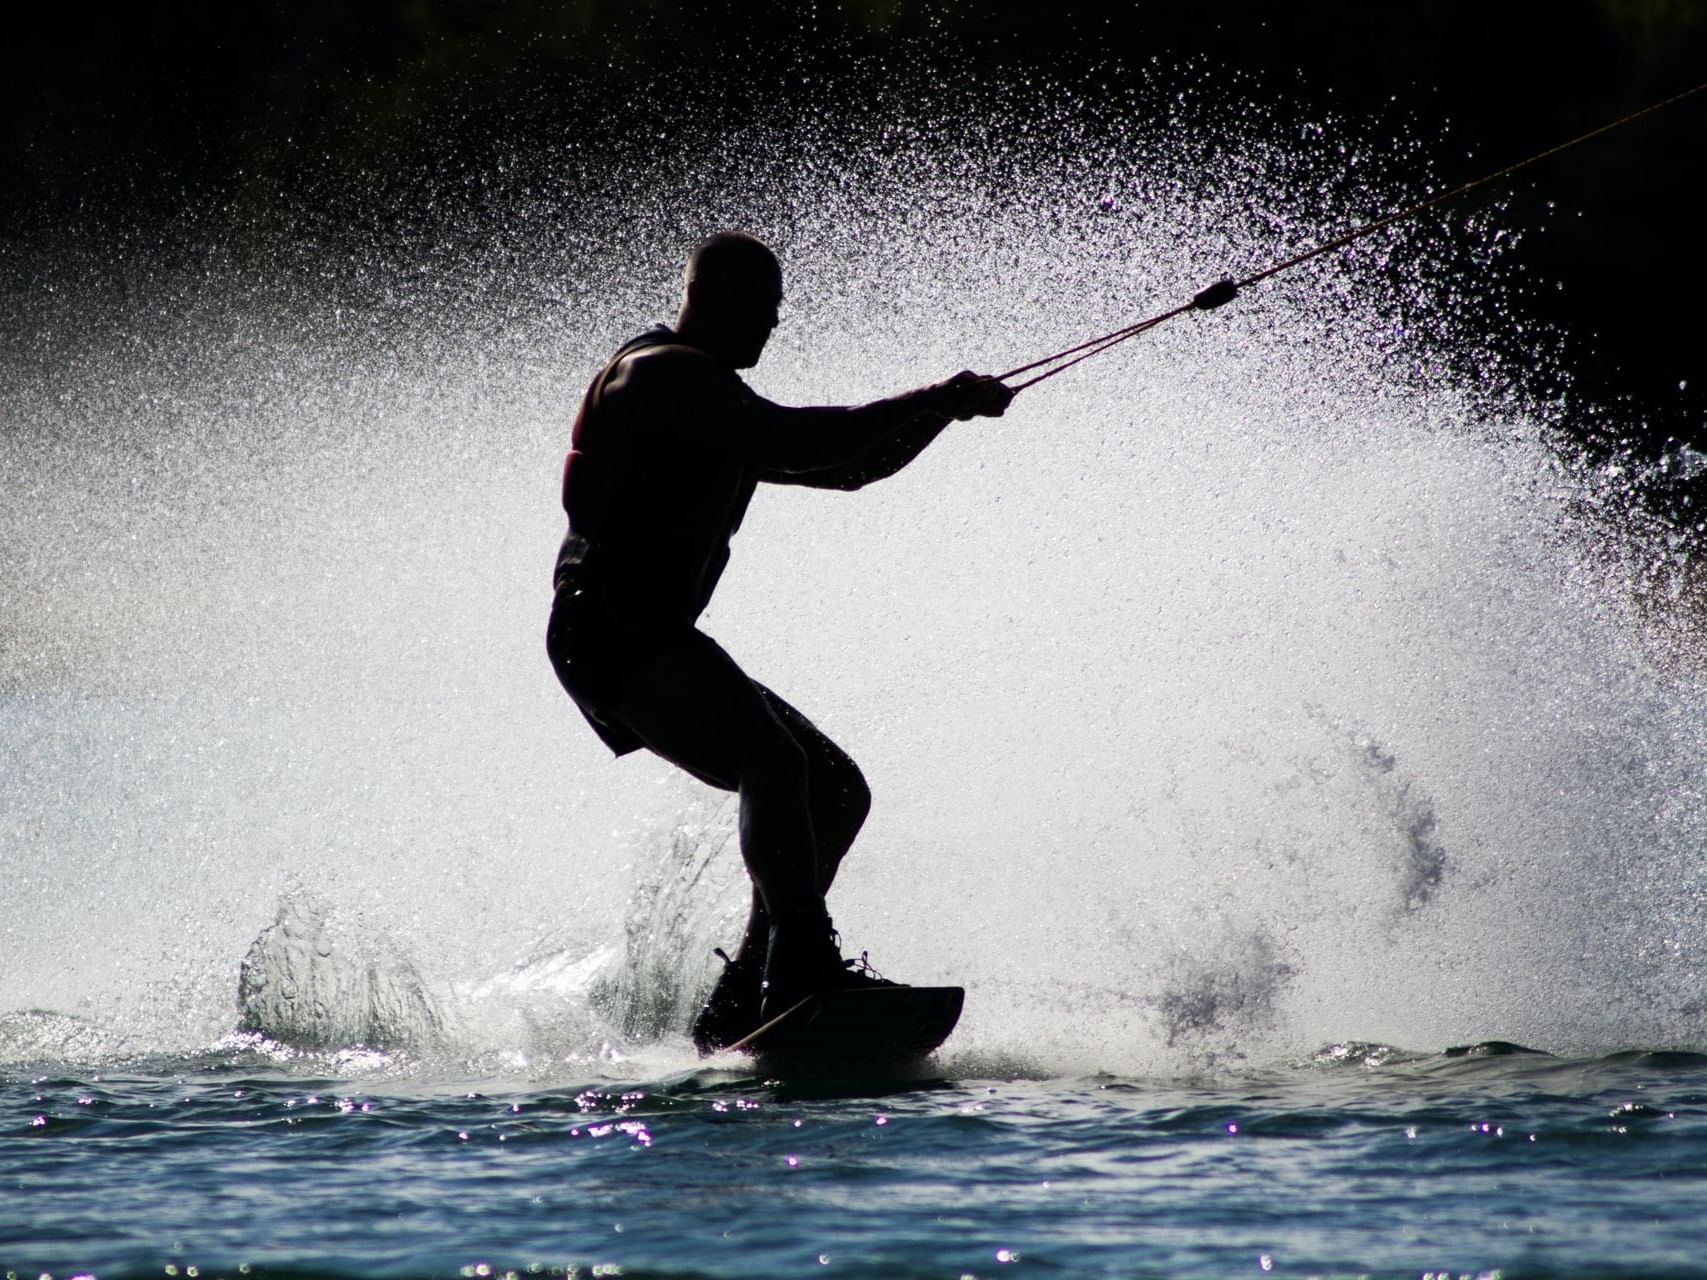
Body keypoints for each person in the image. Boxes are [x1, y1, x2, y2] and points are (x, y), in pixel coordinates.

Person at [547, 231, 1013, 1053]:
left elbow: (848, 469)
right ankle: (801, 964)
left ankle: (743, 1001)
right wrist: (934, 395)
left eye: (778, 311)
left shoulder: (714, 401)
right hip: (609, 625)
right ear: (714, 296)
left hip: (647, 630)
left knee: (832, 789)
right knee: (775, 761)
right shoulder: (659, 376)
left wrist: (942, 414)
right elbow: (804, 440)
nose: (772, 326)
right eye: (762, 309)